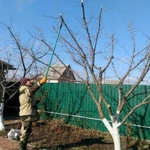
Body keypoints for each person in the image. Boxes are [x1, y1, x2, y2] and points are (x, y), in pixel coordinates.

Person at [19, 77, 47, 150]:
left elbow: (28, 101)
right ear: (24, 82)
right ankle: (22, 148)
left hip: (26, 113)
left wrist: (36, 101)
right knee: (26, 131)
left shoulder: (25, 90)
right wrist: (39, 83)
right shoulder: (24, 88)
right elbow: (32, 90)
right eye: (28, 81)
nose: (30, 81)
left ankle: (23, 147)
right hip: (26, 114)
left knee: (25, 131)